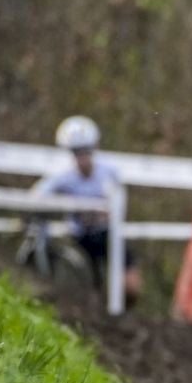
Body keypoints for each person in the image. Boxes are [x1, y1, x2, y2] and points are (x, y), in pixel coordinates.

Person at [32, 116, 143, 303]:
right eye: (77, 152)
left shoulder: (109, 171)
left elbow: (119, 201)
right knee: (90, 286)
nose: (82, 157)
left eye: (86, 150)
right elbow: (35, 197)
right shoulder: (62, 175)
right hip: (81, 238)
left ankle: (122, 314)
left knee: (131, 286)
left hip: (108, 234)